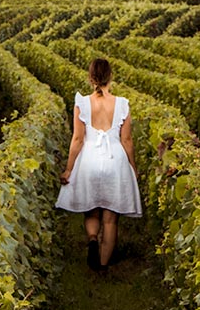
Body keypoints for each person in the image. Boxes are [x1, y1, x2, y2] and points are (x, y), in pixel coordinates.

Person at [56, 57, 142, 274]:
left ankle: (93, 238)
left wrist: (68, 169)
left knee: (91, 209)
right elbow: (127, 141)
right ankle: (102, 267)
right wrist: (133, 167)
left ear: (90, 77)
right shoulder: (122, 104)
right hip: (115, 160)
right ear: (110, 77)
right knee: (111, 218)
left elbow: (77, 139)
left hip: (90, 159)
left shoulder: (82, 103)